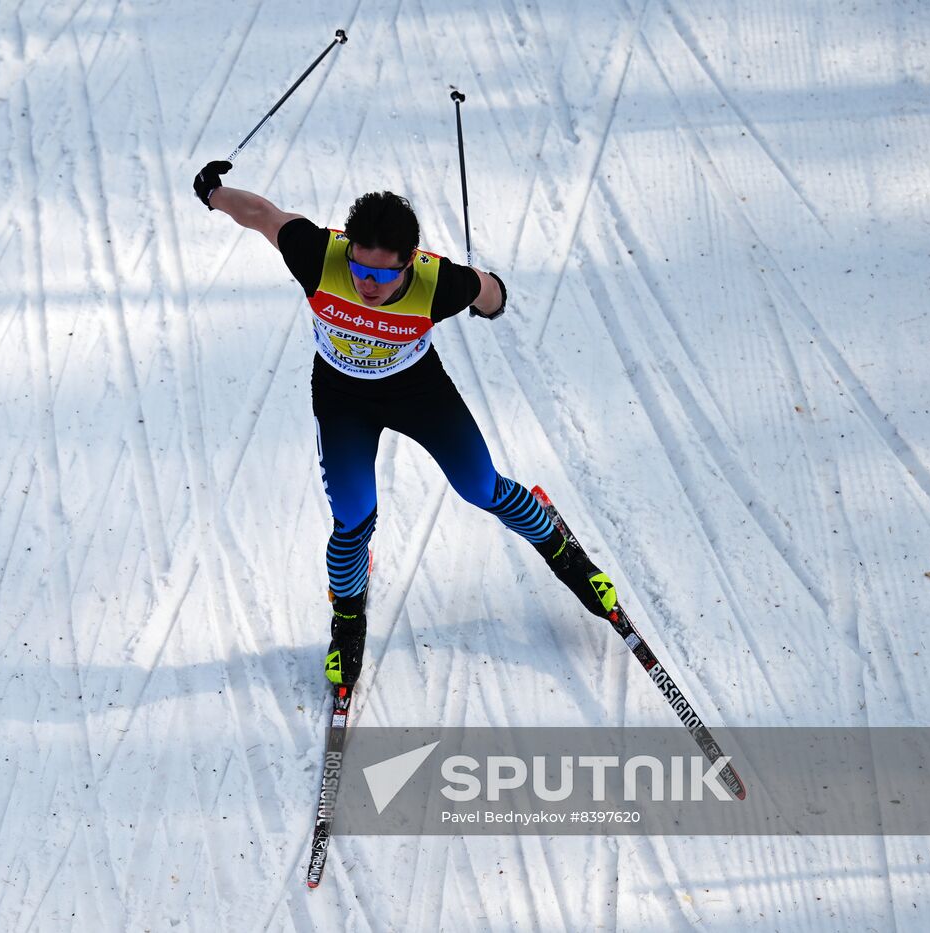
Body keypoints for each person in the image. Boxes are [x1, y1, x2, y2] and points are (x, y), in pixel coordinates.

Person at [193, 160, 616, 692]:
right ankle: (348, 618)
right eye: (359, 268)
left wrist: (489, 297)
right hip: (343, 395)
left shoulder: (439, 283)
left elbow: (492, 293)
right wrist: (212, 192)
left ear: (409, 264)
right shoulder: (317, 255)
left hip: (417, 391)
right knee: (351, 517)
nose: (366, 283)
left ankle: (557, 543)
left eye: (382, 274)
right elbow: (260, 215)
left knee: (480, 486)